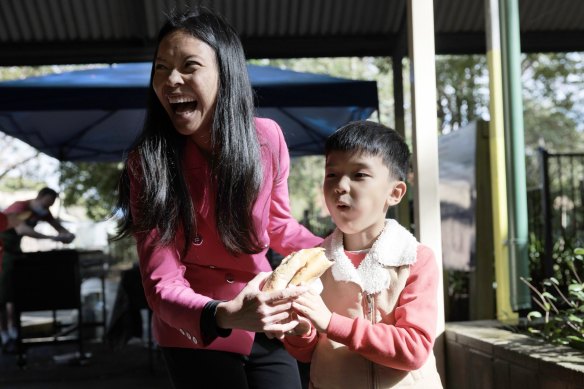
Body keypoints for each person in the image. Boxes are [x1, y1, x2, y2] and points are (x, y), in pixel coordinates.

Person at [115, 7, 322, 389]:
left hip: (265, 313)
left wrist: (341, 248)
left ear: (225, 73)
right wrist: (223, 314)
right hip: (196, 327)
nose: (171, 79)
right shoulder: (147, 163)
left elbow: (279, 225)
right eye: (161, 68)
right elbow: (161, 283)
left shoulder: (268, 138)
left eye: (188, 65)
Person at [283, 121, 443, 388]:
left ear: (395, 192)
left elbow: (414, 349)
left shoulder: (415, 259)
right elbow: (306, 353)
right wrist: (300, 331)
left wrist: (331, 322)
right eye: (331, 175)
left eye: (359, 175)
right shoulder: (312, 262)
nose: (341, 186)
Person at [0, 187, 75, 353]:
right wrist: (52, 238)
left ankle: (14, 331)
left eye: (50, 206)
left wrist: (67, 235)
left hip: (14, 252)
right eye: (45, 204)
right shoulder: (19, 207)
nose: (46, 209)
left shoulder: (43, 212)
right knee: (3, 297)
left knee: (13, 294)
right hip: (2, 251)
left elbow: (57, 226)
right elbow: (22, 229)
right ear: (39, 197)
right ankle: (5, 335)